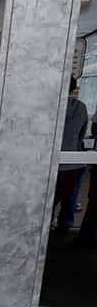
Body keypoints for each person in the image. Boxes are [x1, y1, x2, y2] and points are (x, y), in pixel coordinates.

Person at [52, 77, 87, 234]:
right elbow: (82, 134)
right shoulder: (80, 107)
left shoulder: (50, 107)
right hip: (74, 159)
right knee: (70, 196)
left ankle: (44, 225)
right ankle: (65, 224)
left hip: (52, 161)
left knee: (49, 198)